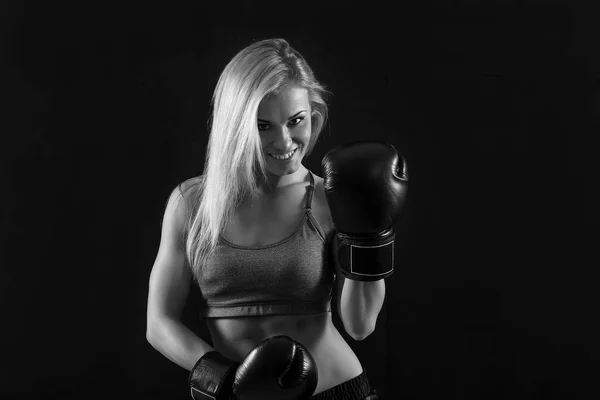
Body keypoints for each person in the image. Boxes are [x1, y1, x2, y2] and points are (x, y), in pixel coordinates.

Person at [146, 38, 408, 400]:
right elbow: (158, 324)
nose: (284, 140)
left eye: (295, 121)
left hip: (335, 390)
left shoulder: (328, 200)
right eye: (263, 125)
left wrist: (371, 235)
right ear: (234, 126)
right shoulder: (192, 203)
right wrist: (223, 379)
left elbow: (360, 327)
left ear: (312, 117)